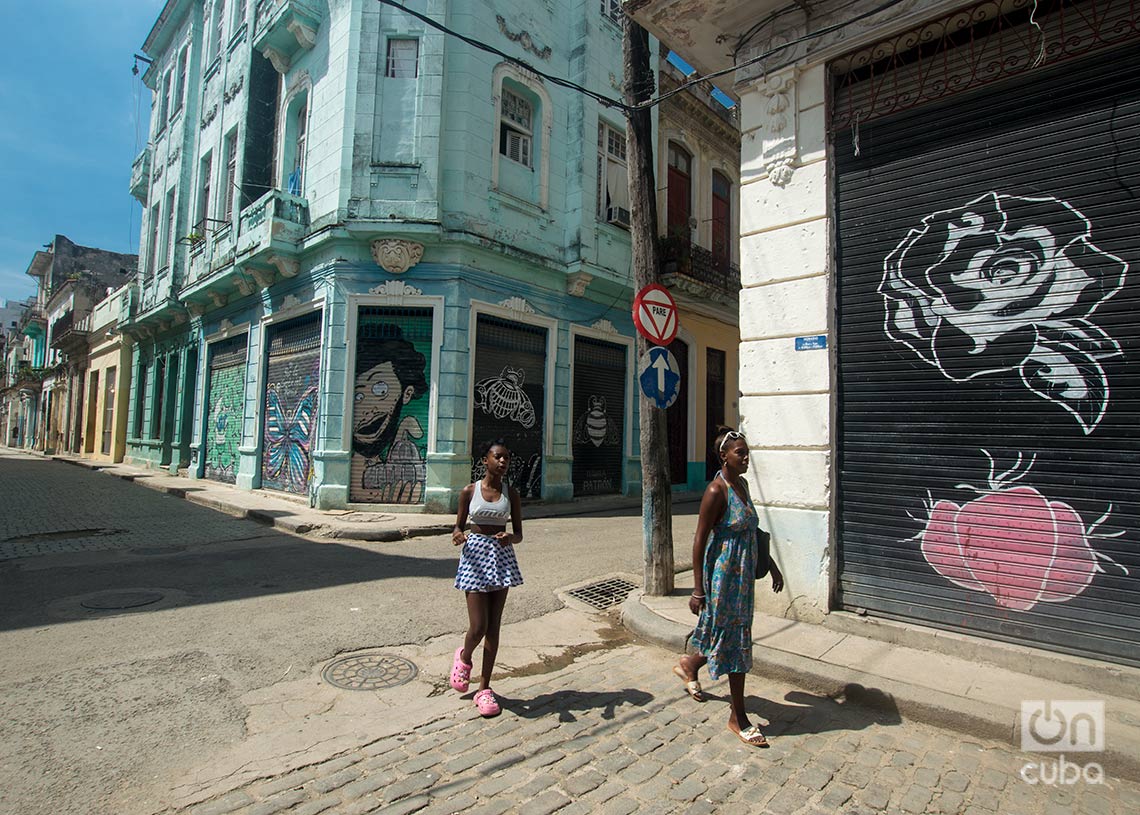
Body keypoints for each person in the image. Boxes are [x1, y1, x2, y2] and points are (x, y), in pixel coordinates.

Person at [673, 427, 784, 747]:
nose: (746, 457)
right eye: (741, 453)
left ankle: (689, 664)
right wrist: (697, 589)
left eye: (747, 452)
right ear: (724, 456)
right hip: (722, 580)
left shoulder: (743, 485)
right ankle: (739, 717)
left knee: (724, 635)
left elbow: (752, 529)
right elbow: (699, 539)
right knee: (734, 642)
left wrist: (771, 565)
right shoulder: (715, 491)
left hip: (743, 579)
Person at [449, 438, 524, 717]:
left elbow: (518, 532)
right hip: (475, 559)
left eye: (506, 458)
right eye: (497, 457)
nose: (502, 462)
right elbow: (458, 526)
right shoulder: (469, 492)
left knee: (494, 627)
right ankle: (465, 656)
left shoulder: (511, 494)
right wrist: (457, 535)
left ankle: (484, 688)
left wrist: (510, 537)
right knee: (478, 626)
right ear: (485, 461)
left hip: (501, 558)